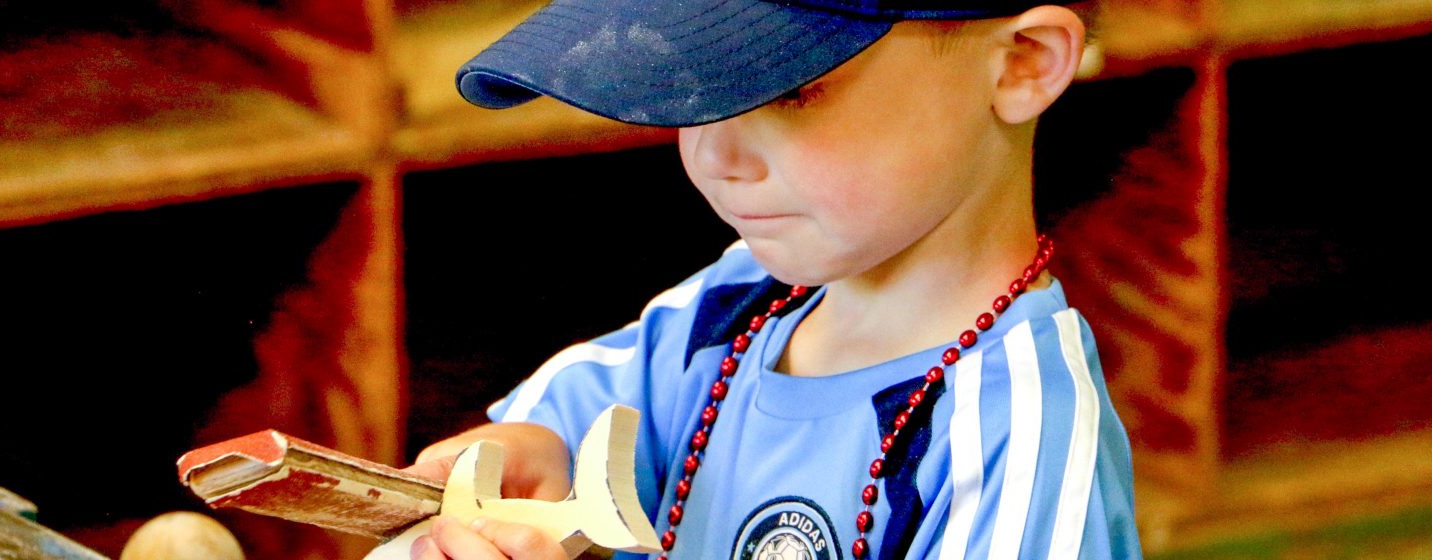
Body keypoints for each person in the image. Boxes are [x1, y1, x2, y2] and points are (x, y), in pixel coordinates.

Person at [402, 1, 1141, 558]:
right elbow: (549, 438)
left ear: (1023, 62)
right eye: (690, 85)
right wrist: (532, 467)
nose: (716, 155)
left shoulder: (1019, 442)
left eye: (792, 90)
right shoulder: (728, 310)